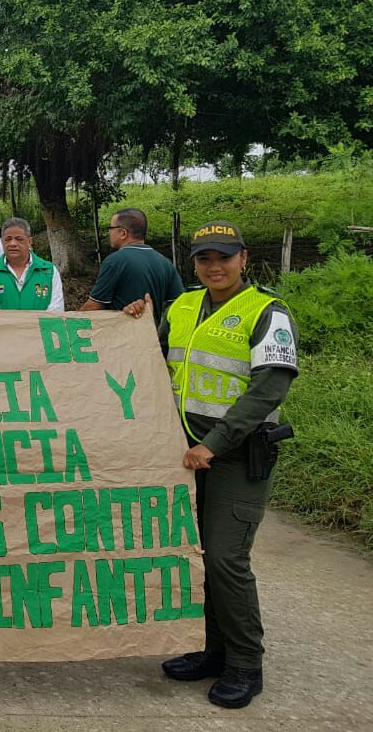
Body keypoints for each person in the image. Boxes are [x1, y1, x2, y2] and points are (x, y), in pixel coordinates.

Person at [129, 222, 298, 710]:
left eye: (223, 257)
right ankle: (213, 651)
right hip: (182, 452)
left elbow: (269, 388)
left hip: (236, 456)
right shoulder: (182, 306)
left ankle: (246, 664)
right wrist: (132, 321)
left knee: (226, 558)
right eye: (204, 258)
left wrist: (215, 444)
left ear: (243, 259)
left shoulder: (269, 312)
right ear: (194, 263)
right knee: (196, 554)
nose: (214, 266)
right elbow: (148, 360)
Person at [81, 207, 184, 324]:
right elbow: (178, 304)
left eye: (111, 228)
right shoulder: (165, 262)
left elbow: (94, 307)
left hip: (123, 337)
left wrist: (71, 323)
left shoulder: (115, 261)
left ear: (123, 233)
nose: (109, 232)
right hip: (153, 337)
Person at [0, 218, 64, 311]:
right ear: (2, 242)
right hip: (1, 325)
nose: (12, 243)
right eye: (8, 239)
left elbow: (56, 308)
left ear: (29, 242)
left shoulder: (49, 271)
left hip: (39, 325)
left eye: (19, 239)